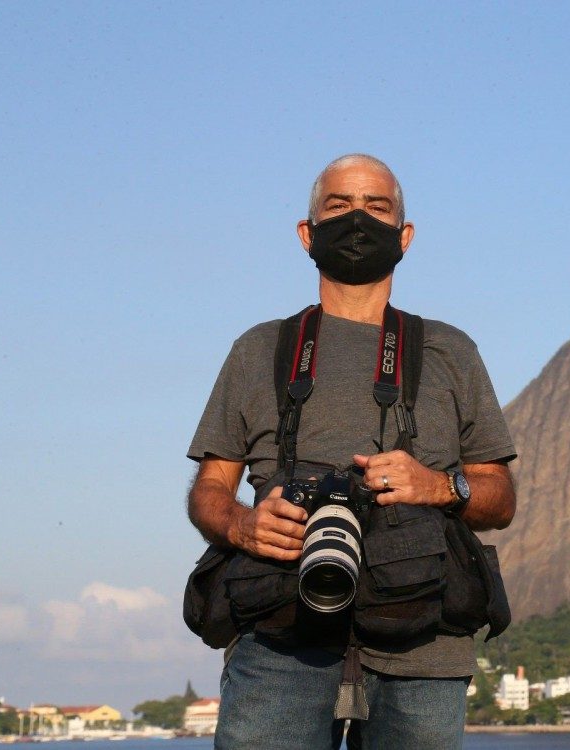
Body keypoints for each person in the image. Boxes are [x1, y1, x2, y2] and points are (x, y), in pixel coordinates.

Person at [186, 153, 517, 749]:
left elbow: (499, 498)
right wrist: (244, 525)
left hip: (423, 646)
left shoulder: (449, 350)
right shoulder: (260, 349)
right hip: (279, 635)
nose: (358, 220)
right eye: (338, 206)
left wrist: (438, 487)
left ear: (404, 236)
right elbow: (211, 491)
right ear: (306, 233)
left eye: (377, 207)